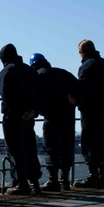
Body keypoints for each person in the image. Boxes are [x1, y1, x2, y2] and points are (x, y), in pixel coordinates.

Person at [0, 44, 42, 195]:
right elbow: (40, 93)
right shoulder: (30, 71)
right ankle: (35, 181)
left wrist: (19, 112)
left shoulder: (6, 71)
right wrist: (33, 112)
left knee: (15, 150)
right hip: (29, 117)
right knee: (30, 148)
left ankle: (21, 182)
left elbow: (6, 95)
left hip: (13, 117)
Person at [29, 53, 78, 191]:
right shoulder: (62, 73)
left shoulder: (39, 76)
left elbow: (40, 96)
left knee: (51, 147)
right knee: (66, 146)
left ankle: (53, 180)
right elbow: (79, 87)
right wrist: (73, 99)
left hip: (52, 116)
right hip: (68, 116)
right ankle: (65, 180)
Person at [74, 39, 104, 188]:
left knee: (91, 142)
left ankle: (93, 176)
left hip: (91, 111)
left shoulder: (86, 66)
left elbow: (83, 89)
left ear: (82, 52)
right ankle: (102, 176)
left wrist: (77, 101)